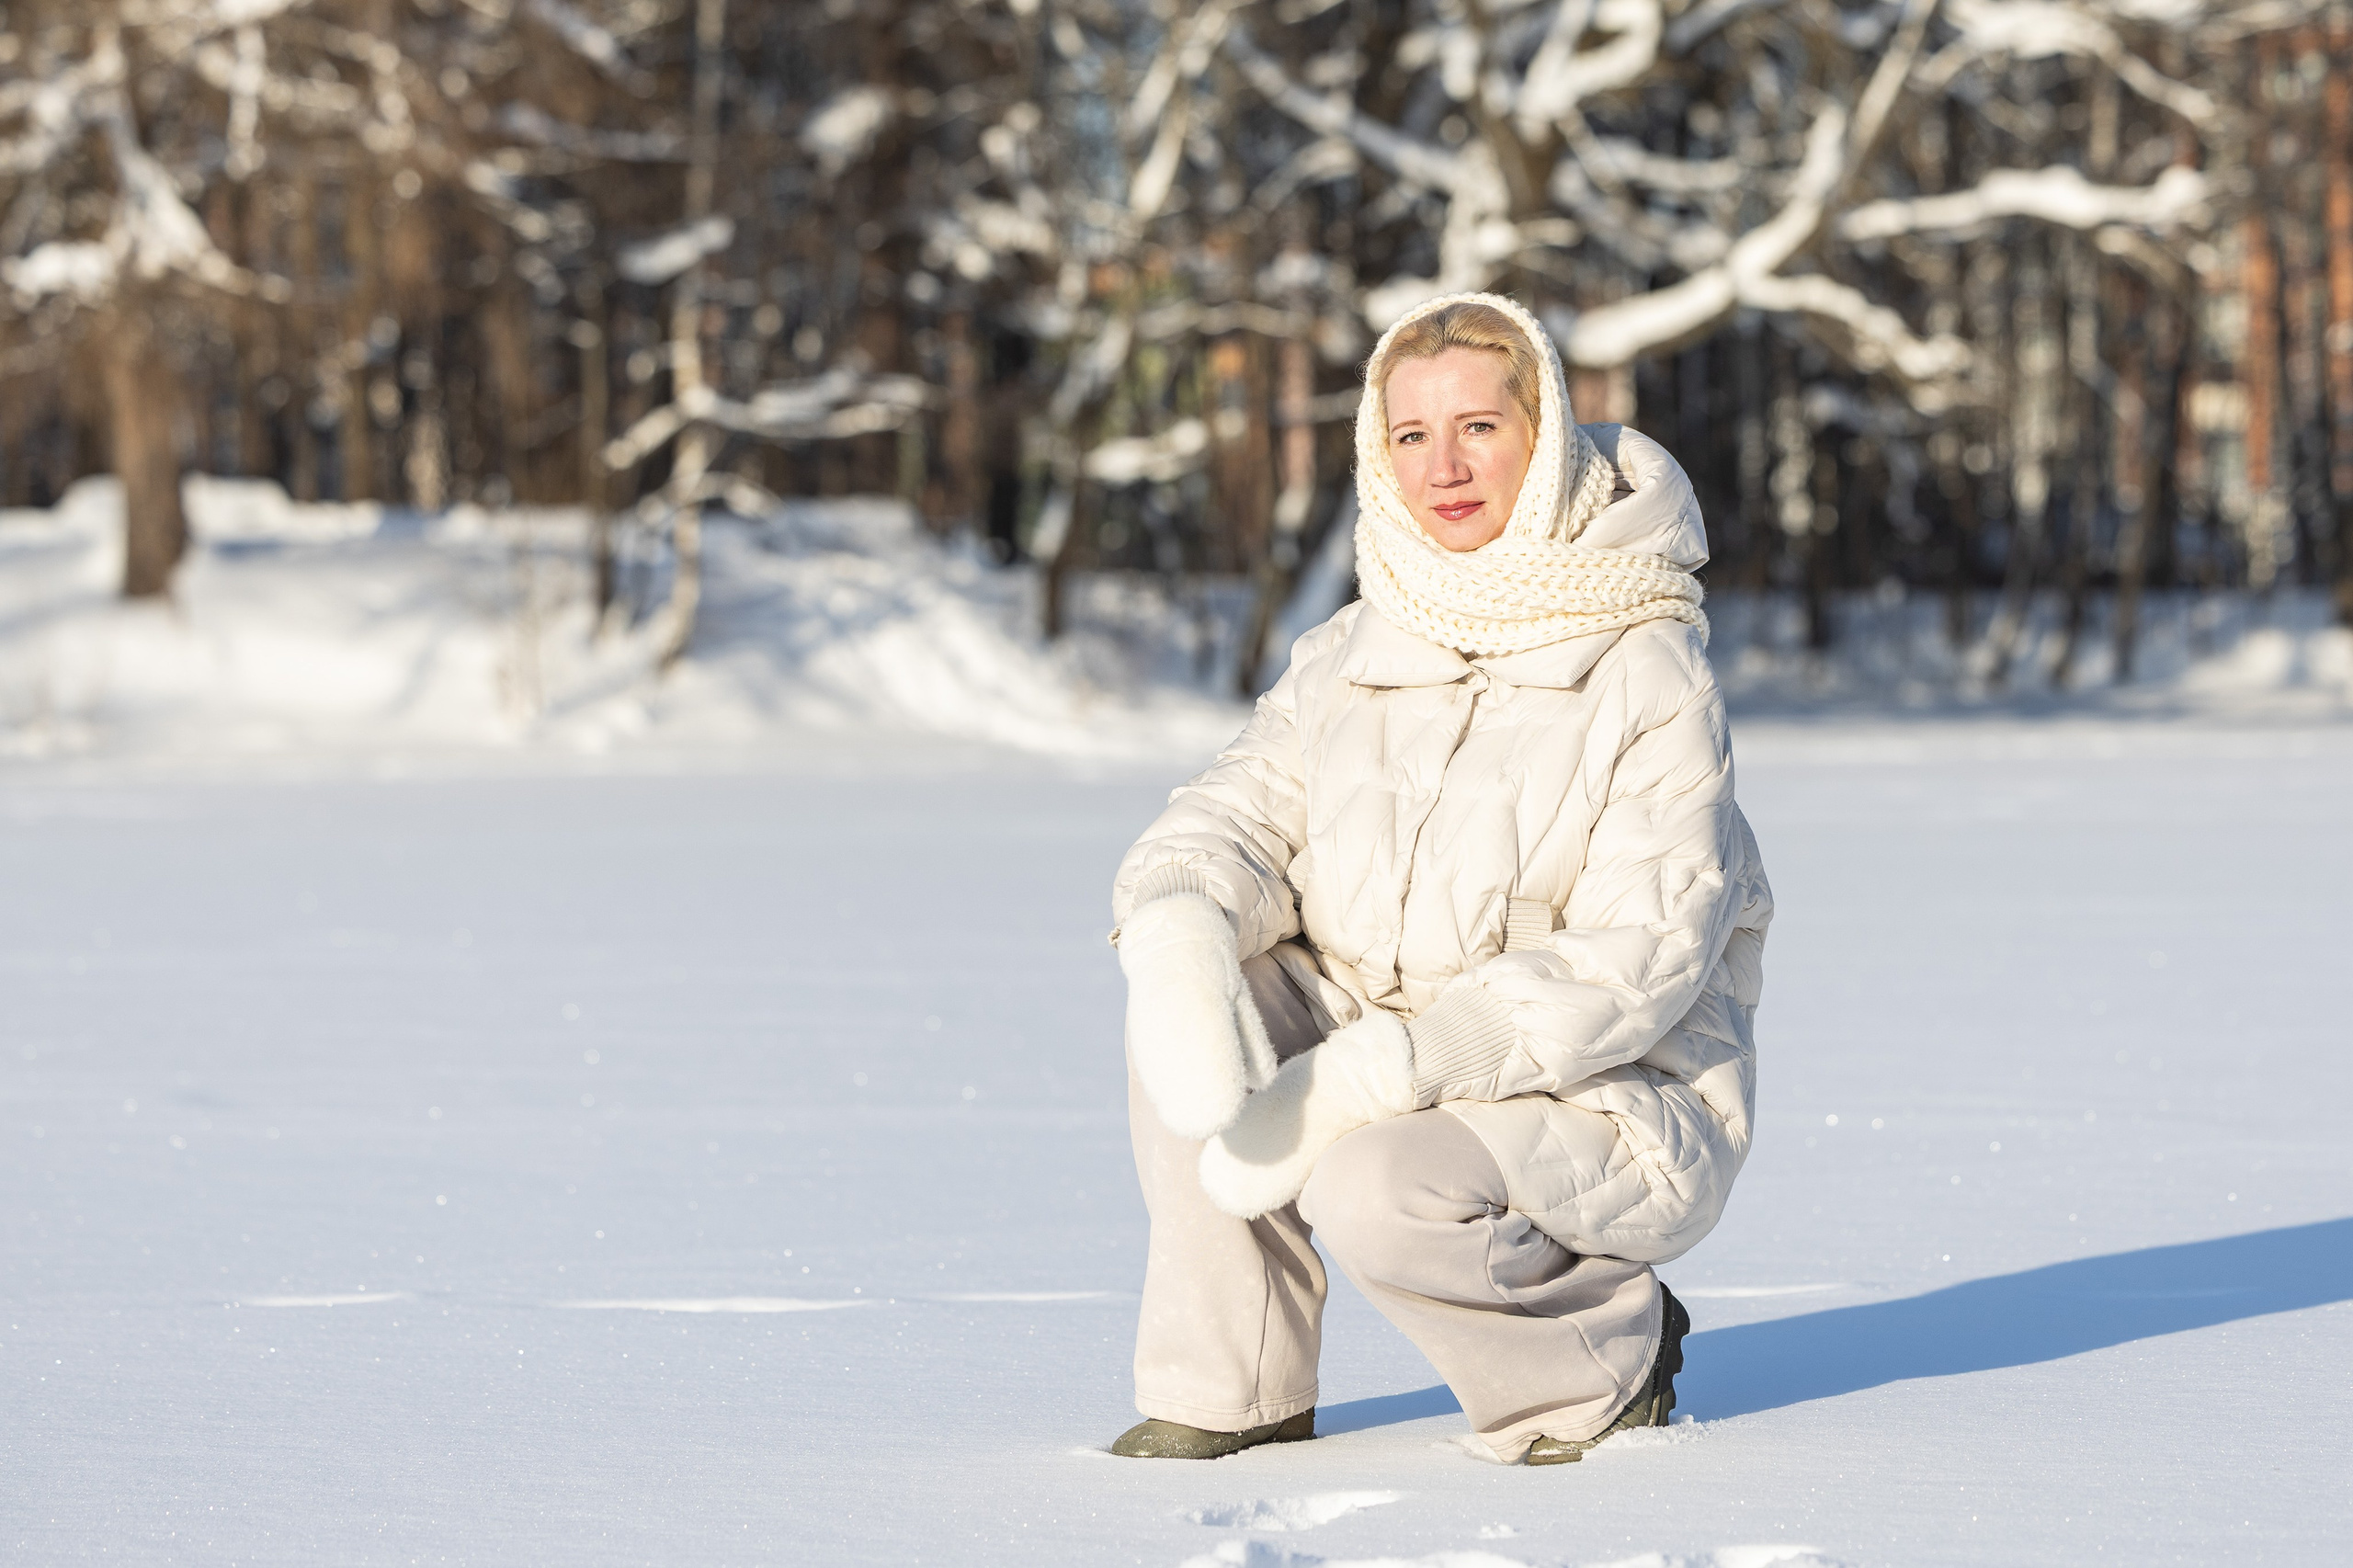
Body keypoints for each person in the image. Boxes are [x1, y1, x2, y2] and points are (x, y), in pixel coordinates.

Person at [1104, 291, 1773, 1466]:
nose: (1442, 467)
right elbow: (1237, 812)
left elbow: (1642, 951)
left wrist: (1398, 1065)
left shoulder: (1648, 666)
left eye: (1478, 428)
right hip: (1374, 1022)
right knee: (1199, 1012)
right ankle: (1231, 1384)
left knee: (1372, 1185)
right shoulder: (1352, 646)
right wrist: (1177, 925)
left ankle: (1600, 1358)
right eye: (1410, 434)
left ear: (1543, 438)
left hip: (1598, 1084)